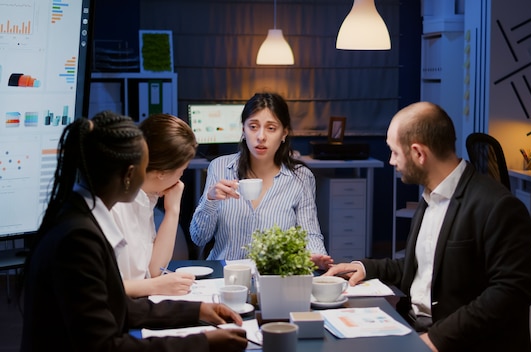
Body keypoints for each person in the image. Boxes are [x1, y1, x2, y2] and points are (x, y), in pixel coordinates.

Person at [20, 111, 247, 351]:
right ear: (129, 175)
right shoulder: (78, 239)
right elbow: (105, 346)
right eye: (144, 165)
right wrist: (202, 342)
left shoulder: (81, 216)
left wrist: (196, 311)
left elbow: (115, 303)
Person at [325, 102, 531, 352]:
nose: (391, 161)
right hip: (414, 328)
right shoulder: (431, 197)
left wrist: (436, 339)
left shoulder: (497, 206)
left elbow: (511, 294)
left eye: (394, 152)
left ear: (418, 153)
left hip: (459, 342)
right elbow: (424, 266)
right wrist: (363, 267)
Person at [190, 92, 333, 269]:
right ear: (243, 130)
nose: (261, 136)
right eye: (253, 126)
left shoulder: (301, 177)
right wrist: (210, 200)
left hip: (274, 278)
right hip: (225, 276)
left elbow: (310, 233)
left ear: (284, 133)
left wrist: (317, 258)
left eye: (271, 128)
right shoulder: (219, 167)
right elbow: (199, 238)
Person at [111, 113, 198, 298]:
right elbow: (107, 288)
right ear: (161, 173)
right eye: (181, 172)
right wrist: (156, 286)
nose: (180, 180)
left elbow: (154, 270)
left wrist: (173, 211)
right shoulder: (115, 204)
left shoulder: (145, 198)